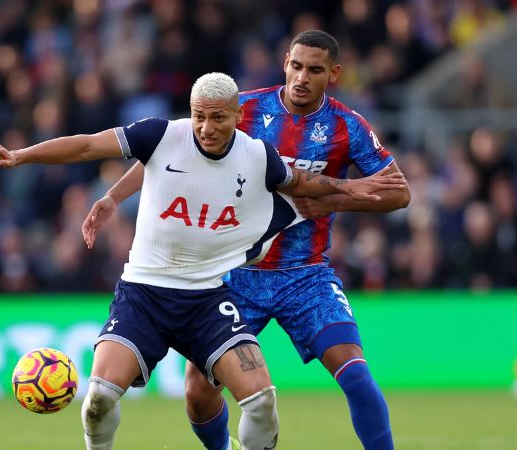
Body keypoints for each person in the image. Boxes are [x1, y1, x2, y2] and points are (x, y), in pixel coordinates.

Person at [0, 72, 407, 450]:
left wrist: (355, 191)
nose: (206, 127)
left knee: (262, 401)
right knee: (101, 397)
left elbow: (303, 183)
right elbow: (88, 146)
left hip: (208, 300)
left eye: (217, 117)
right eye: (199, 116)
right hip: (143, 295)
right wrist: (23, 155)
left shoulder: (257, 157)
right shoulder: (162, 134)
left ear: (237, 116)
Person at [83, 31, 410, 450]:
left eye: (315, 70)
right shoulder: (243, 109)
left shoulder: (348, 126)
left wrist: (333, 205)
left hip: (305, 273)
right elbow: (164, 154)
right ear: (285, 62)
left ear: (334, 73)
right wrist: (113, 197)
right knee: (199, 394)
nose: (302, 77)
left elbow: (399, 193)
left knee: (355, 371)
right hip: (234, 272)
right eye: (296, 66)